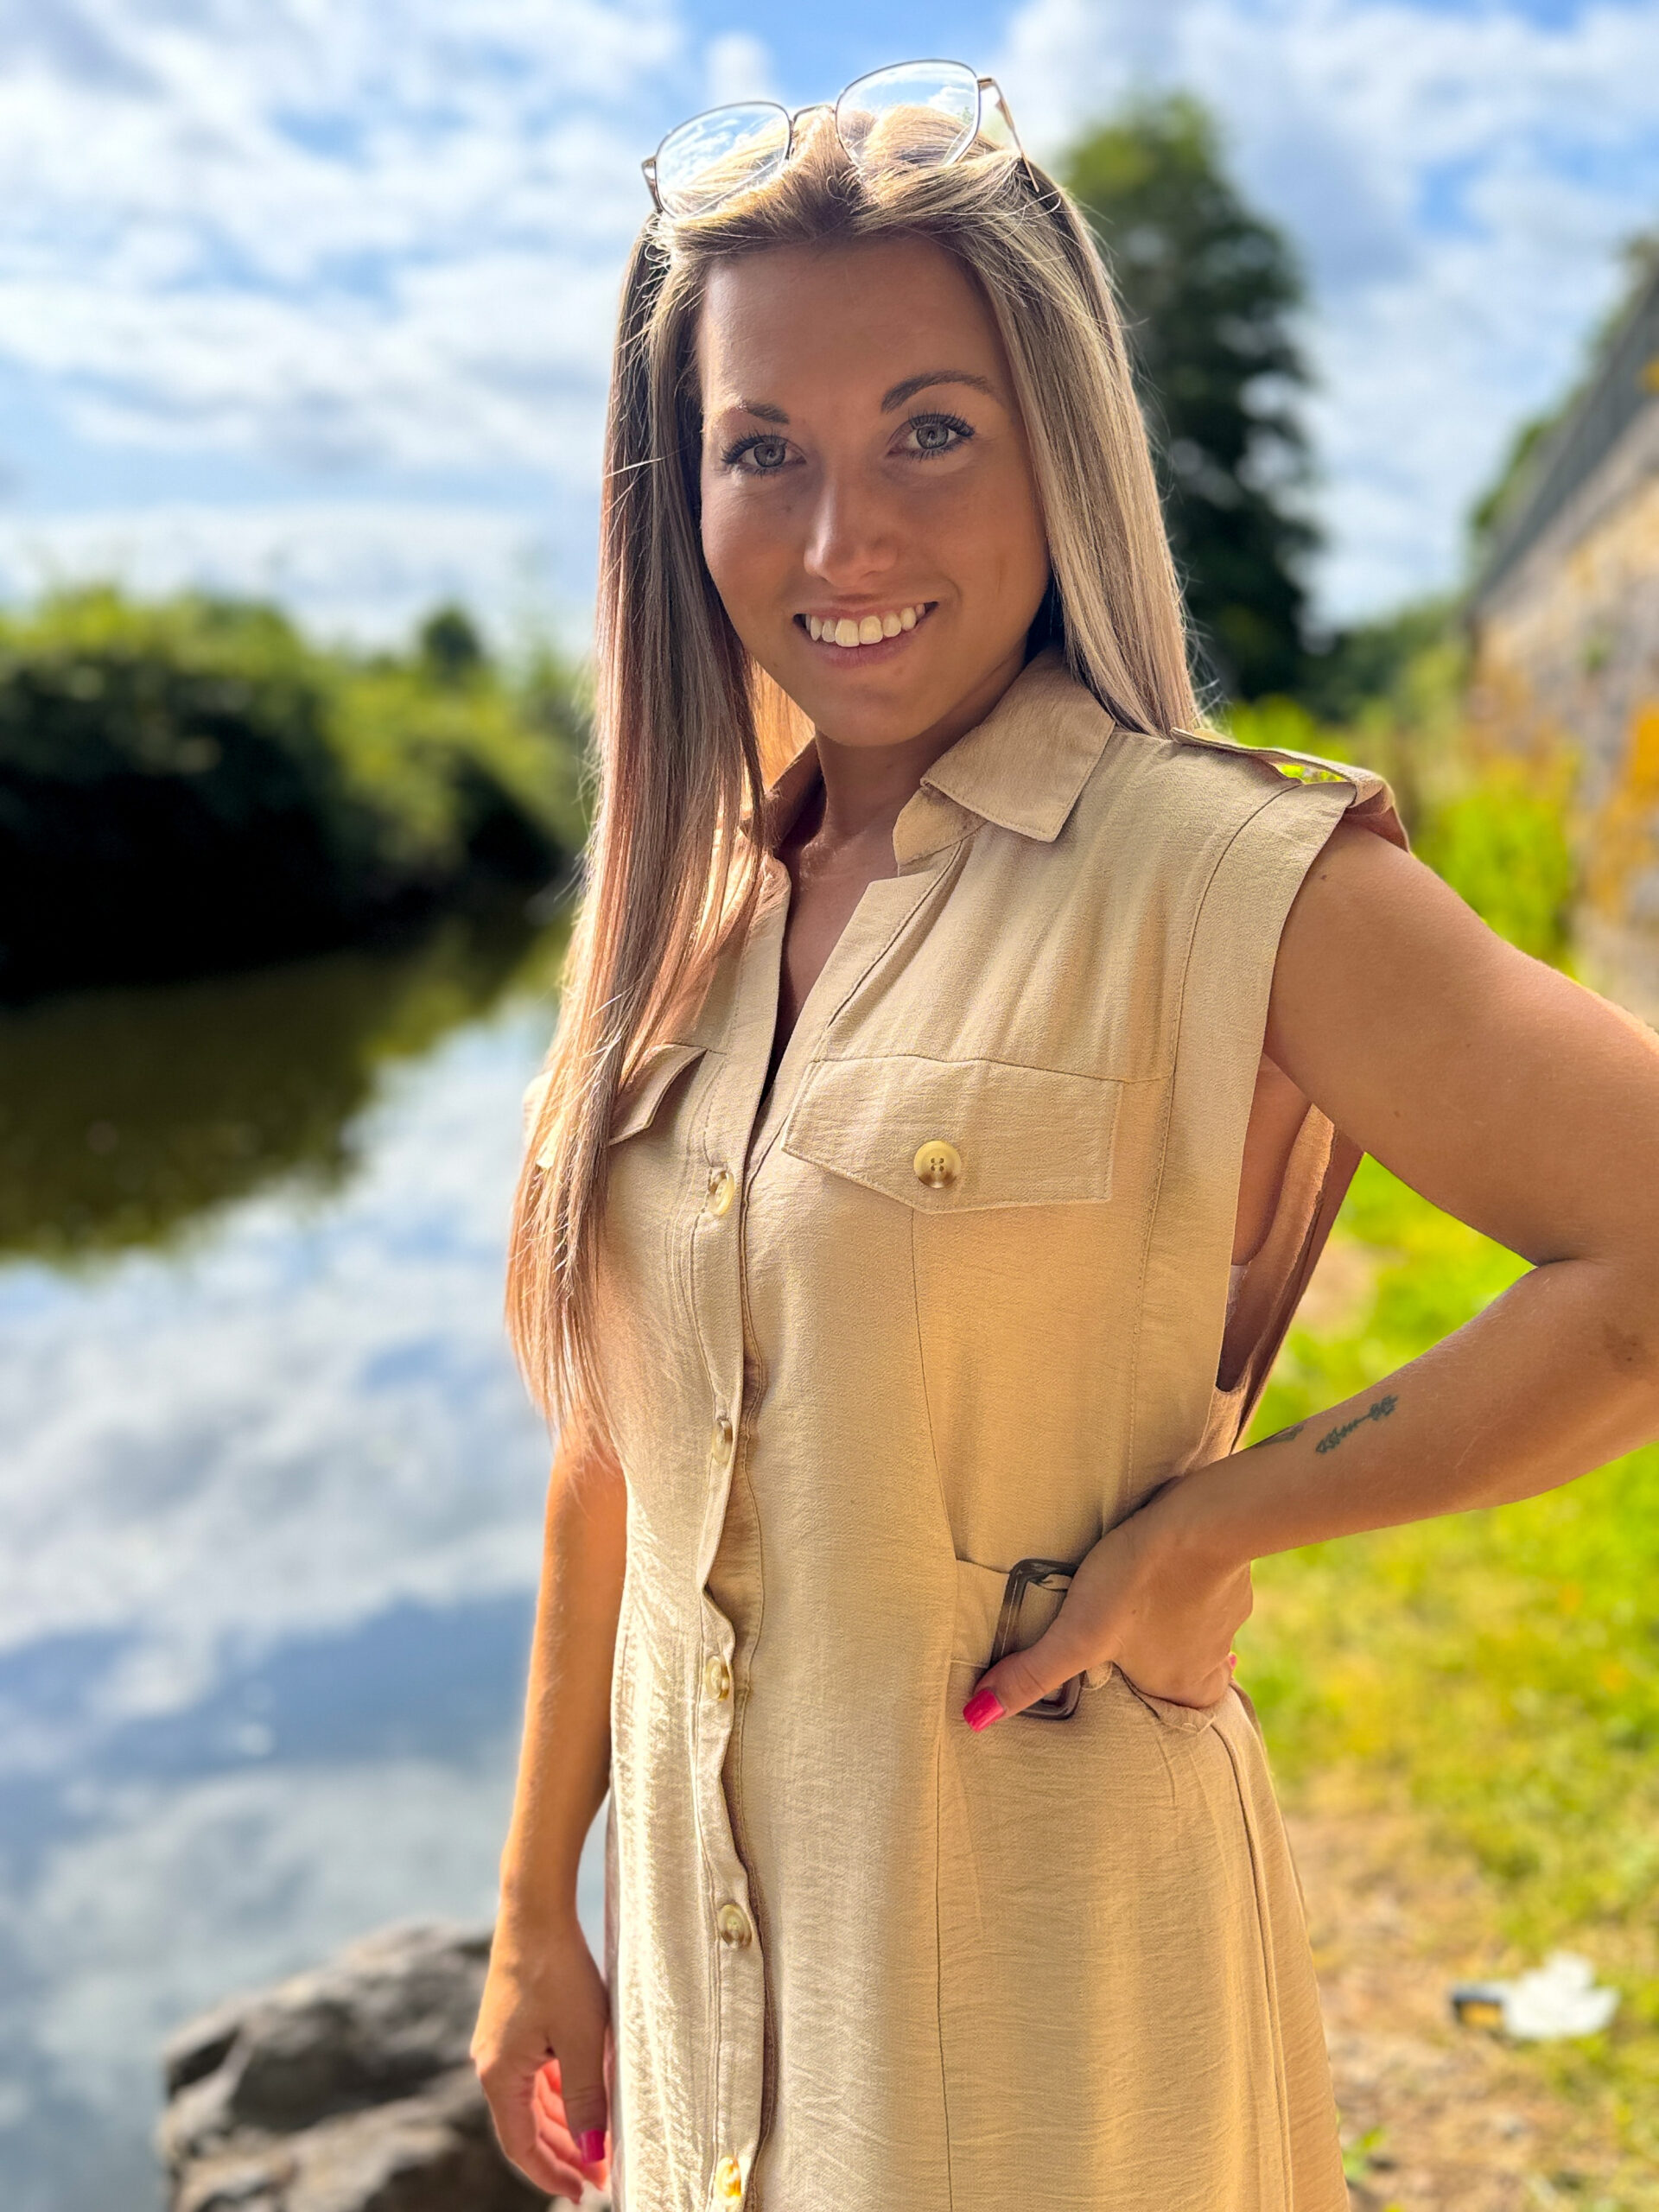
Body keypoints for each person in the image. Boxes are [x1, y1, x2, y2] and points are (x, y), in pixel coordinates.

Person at [470, 60, 1659, 2212]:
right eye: (763, 449)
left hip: (1050, 2034)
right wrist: (532, 1897)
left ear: (1058, 445)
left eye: (930, 429)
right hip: (717, 2012)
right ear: (680, 490)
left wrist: (1210, 1532)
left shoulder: (1214, 872)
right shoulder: (683, 926)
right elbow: (618, 1441)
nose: (843, 538)